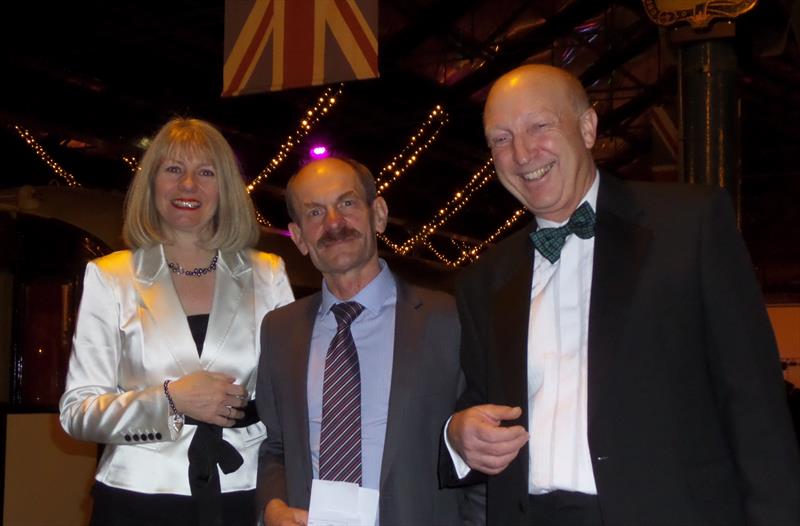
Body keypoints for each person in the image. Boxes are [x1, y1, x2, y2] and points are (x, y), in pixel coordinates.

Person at [440, 64, 800, 525]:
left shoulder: (689, 226)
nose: (523, 152)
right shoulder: (484, 277)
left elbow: (755, 406)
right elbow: (477, 399)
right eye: (501, 139)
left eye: (539, 126)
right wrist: (458, 434)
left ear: (588, 127)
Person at [59, 117, 294, 526]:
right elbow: (78, 412)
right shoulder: (110, 276)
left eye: (206, 172)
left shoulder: (268, 273)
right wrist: (170, 400)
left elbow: (292, 398)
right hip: (137, 496)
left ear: (225, 189)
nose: (188, 185)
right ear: (151, 184)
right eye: (173, 170)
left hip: (245, 492)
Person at [255, 156, 483, 526]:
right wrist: (273, 508)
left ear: (378, 214)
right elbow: (276, 446)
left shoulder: (447, 320)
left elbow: (479, 449)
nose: (333, 224)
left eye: (346, 203)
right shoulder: (280, 331)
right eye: (314, 213)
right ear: (298, 237)